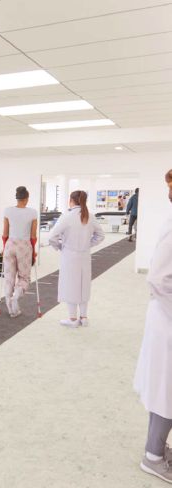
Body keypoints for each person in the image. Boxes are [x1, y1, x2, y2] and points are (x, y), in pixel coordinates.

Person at [134, 169, 172, 483]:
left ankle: (156, 448)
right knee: (166, 390)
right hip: (167, 319)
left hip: (164, 316)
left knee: (165, 388)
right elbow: (158, 279)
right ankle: (153, 456)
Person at [48, 190, 105, 327]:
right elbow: (101, 236)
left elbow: (51, 237)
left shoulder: (66, 216)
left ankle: (73, 319)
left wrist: (59, 246)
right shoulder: (90, 216)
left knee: (70, 285)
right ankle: (84, 317)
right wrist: (88, 244)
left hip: (69, 256)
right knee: (83, 285)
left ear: (71, 200)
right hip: (85, 255)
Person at [1, 186, 38, 318]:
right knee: (24, 277)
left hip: (10, 245)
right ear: (26, 199)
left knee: (9, 277)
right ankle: (16, 296)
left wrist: (4, 248)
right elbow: (33, 236)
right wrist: (33, 252)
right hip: (24, 246)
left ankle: (11, 310)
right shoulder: (33, 213)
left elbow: (5, 234)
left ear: (17, 198)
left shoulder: (8, 211)